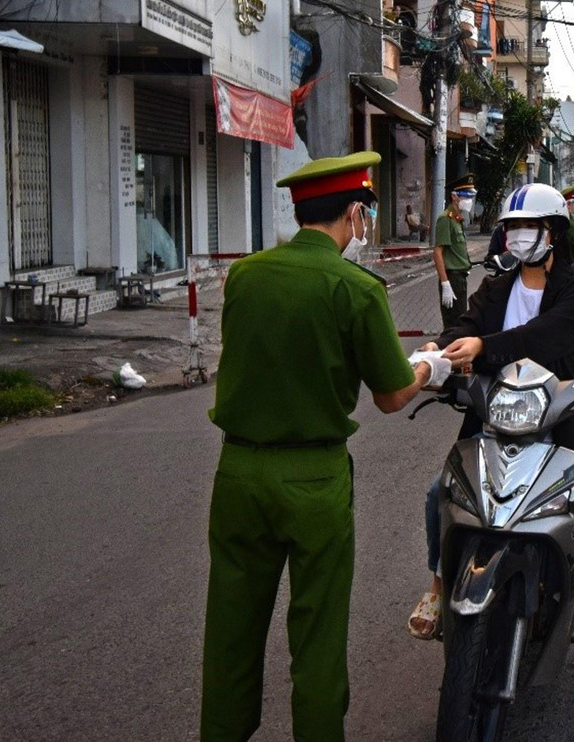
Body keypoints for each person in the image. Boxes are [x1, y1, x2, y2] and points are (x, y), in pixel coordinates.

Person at [202, 151, 452, 742]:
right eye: (362, 215)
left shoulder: (246, 276)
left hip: (237, 473)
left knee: (231, 631)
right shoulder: (356, 288)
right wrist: (429, 367)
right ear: (355, 215)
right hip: (313, 479)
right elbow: (392, 395)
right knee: (316, 636)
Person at [407, 182, 574, 690]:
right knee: (439, 495)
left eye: (526, 228)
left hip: (562, 423)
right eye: (510, 229)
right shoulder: (497, 285)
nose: (515, 237)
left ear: (552, 231)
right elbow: (465, 325)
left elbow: (548, 336)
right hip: (495, 418)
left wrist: (482, 347)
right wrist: (436, 348)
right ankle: (437, 585)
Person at [434, 174, 477, 331]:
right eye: (466, 196)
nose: (469, 200)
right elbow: (438, 252)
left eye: (471, 196)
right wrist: (445, 283)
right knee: (454, 324)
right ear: (454, 197)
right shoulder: (445, 219)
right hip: (452, 278)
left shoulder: (457, 219)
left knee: (459, 320)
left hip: (460, 277)